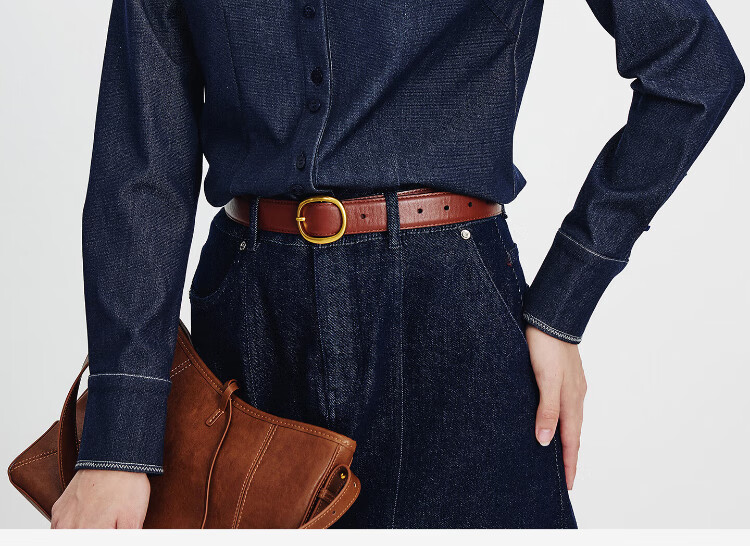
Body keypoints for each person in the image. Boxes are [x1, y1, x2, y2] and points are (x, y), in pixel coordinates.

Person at [50, 0, 743, 529]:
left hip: (455, 317)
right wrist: (119, 442)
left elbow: (693, 69)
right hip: (247, 324)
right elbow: (140, 167)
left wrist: (564, 302)